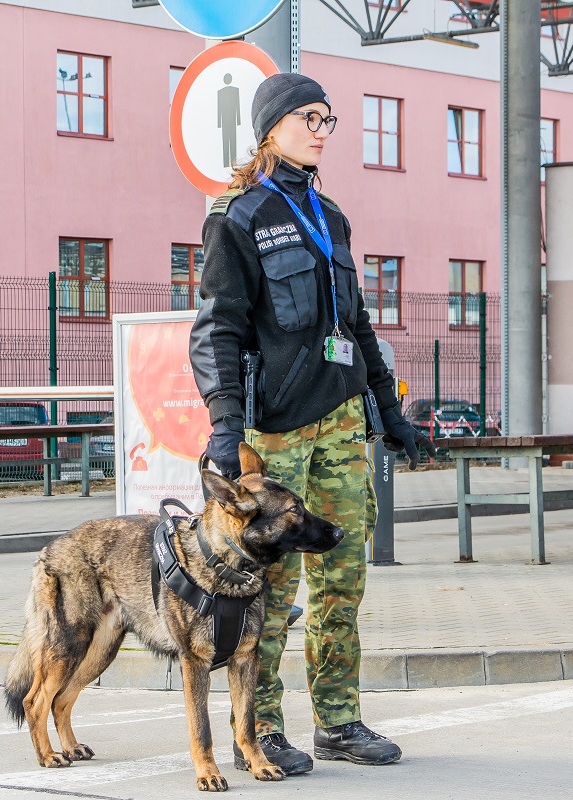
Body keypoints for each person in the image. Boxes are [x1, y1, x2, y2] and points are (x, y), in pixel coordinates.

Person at [189, 72, 434, 775]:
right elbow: (219, 331)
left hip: (341, 426)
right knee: (269, 589)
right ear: (271, 127)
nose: (323, 130)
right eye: (310, 117)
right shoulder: (237, 216)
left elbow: (354, 325)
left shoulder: (331, 214)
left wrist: (391, 416)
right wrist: (226, 427)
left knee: (342, 582)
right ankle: (260, 727)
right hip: (276, 435)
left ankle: (338, 721)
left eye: (330, 119)